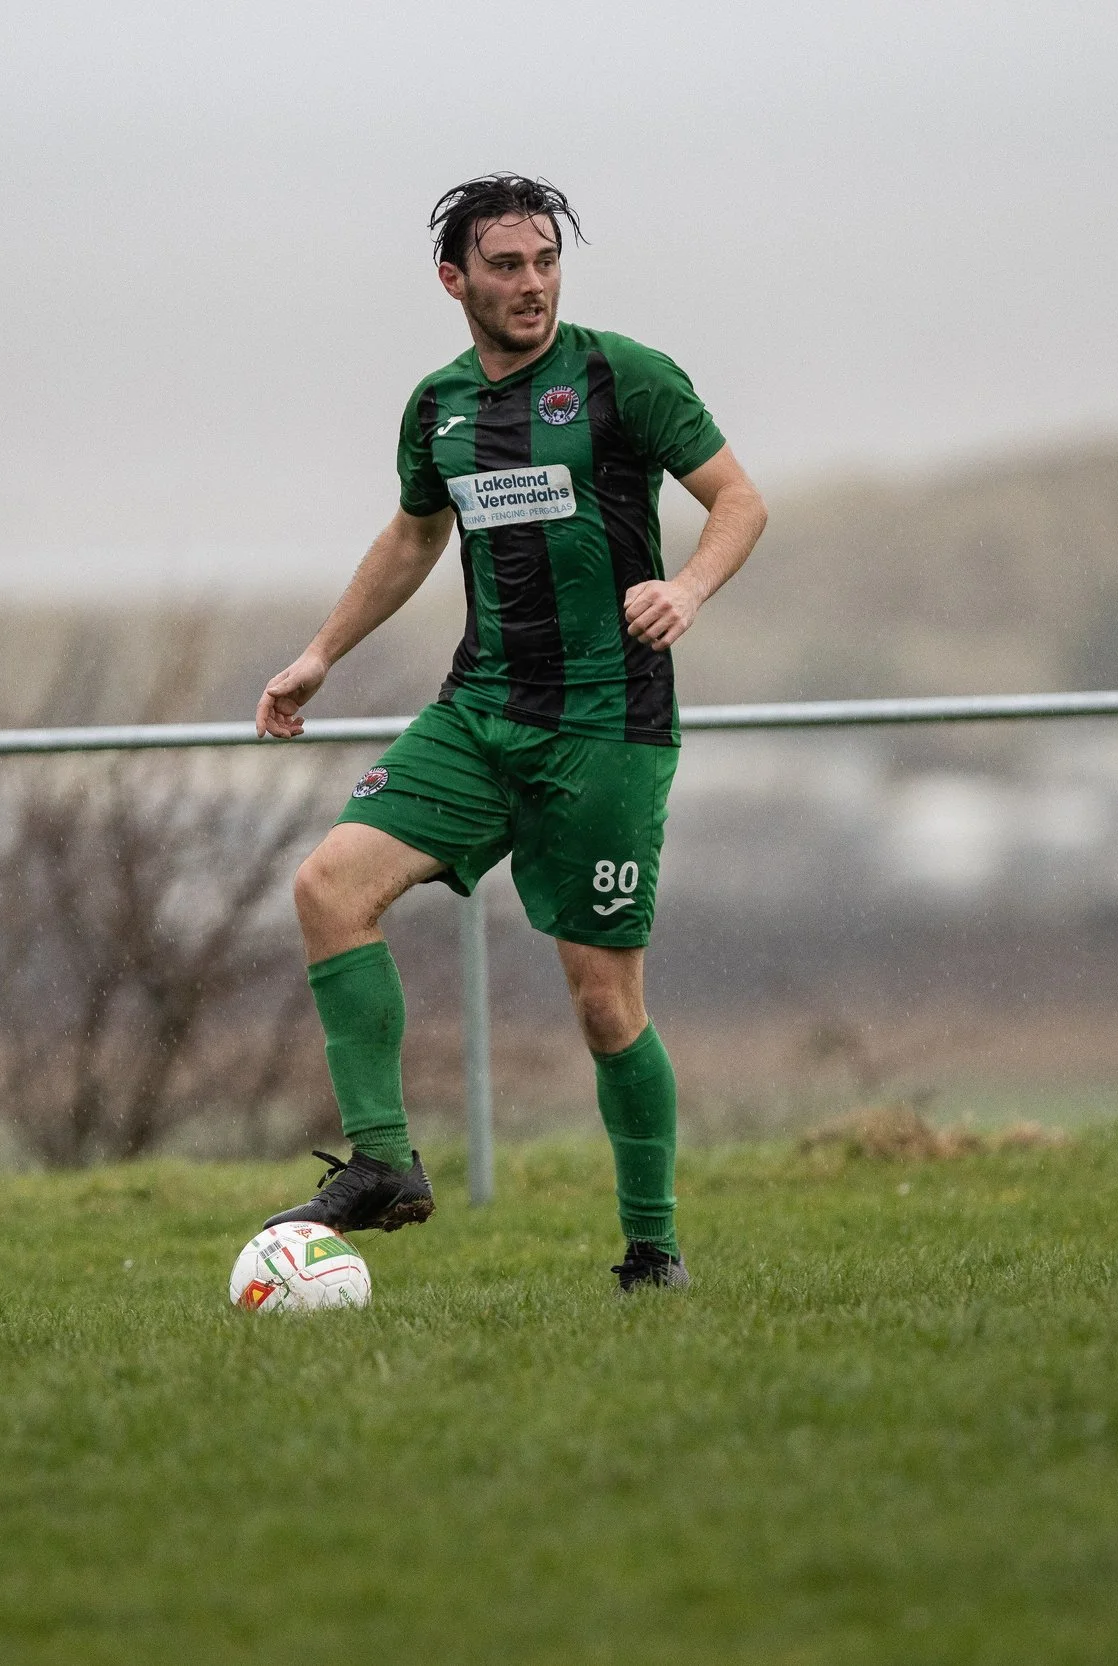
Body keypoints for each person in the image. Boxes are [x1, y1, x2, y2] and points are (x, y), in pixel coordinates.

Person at [252, 173, 767, 1291]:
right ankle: (384, 1162)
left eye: (543, 263)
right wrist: (319, 654)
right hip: (478, 713)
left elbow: (739, 500)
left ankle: (653, 1250)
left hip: (605, 727)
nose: (530, 285)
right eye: (505, 266)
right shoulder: (437, 404)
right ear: (455, 280)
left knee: (602, 999)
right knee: (326, 889)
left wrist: (686, 590)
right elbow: (411, 534)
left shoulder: (622, 375)